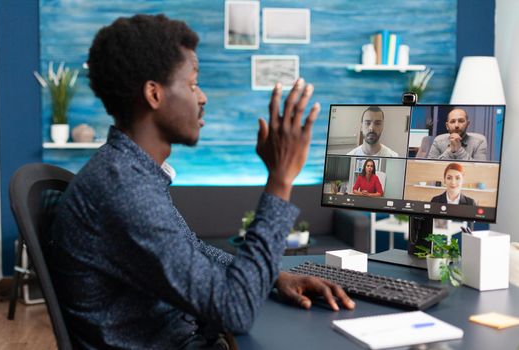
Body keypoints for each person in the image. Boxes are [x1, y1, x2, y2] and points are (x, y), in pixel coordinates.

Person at [48, 14, 355, 350]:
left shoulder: (130, 173)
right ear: (154, 94)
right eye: (193, 84)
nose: (202, 97)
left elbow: (192, 251)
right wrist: (281, 179)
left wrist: (272, 276)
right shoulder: (123, 189)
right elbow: (234, 309)